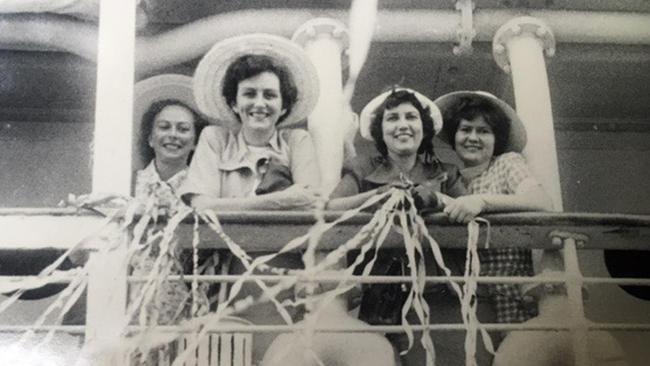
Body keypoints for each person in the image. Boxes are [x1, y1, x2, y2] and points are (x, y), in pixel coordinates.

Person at [177, 33, 322, 362]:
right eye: (250, 94)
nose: (260, 103)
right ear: (233, 103)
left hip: (287, 276)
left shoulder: (296, 141)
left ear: (283, 105)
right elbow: (201, 205)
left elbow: (312, 199)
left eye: (270, 95)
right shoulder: (214, 138)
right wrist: (278, 200)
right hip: (228, 277)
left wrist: (232, 207)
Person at [327, 88, 468, 365]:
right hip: (380, 296)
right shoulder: (362, 169)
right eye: (392, 118)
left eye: (411, 117)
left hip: (438, 296)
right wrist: (376, 196)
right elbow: (331, 208)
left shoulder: (446, 172)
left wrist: (437, 198)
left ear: (423, 128)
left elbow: (470, 211)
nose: (402, 125)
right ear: (381, 130)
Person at [435, 91, 553, 325]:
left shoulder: (506, 164)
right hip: (464, 297)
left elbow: (542, 202)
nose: (473, 137)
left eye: (483, 131)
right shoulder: (448, 177)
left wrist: (483, 201)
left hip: (507, 294)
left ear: (496, 137)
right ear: (454, 135)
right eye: (466, 129)